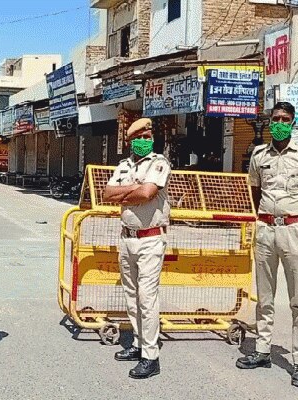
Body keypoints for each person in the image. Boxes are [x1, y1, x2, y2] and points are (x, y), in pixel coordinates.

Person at [237, 101, 298, 389]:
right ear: (270, 121)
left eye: (285, 119)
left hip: (293, 230)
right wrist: (266, 222)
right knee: (265, 296)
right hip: (265, 230)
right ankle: (262, 350)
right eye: (276, 118)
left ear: (293, 122)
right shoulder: (259, 155)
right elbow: (255, 192)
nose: (280, 123)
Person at [102, 117, 171, 380]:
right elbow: (107, 193)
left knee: (147, 297)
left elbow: (147, 194)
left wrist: (126, 193)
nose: (144, 141)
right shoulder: (124, 165)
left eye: (147, 137)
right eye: (139, 138)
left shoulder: (159, 163)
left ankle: (151, 356)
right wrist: (136, 188)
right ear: (130, 141)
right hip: (127, 238)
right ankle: (139, 343)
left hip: (150, 238)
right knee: (131, 295)